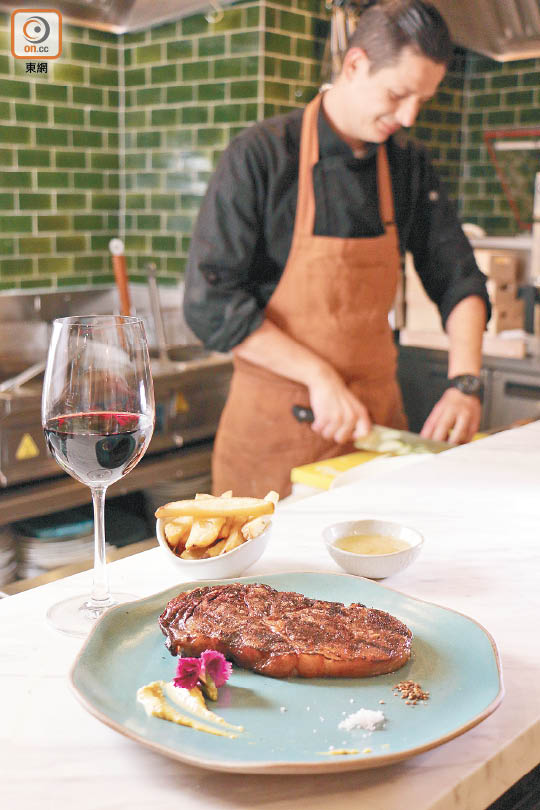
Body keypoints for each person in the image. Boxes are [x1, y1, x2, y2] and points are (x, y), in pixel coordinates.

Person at [183, 0, 490, 498]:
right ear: (354, 65)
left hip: (375, 436)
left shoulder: (407, 165)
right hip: (271, 440)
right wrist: (318, 375)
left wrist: (465, 383)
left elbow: (459, 279)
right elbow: (211, 304)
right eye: (397, 94)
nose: (409, 115)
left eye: (422, 100)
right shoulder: (261, 156)